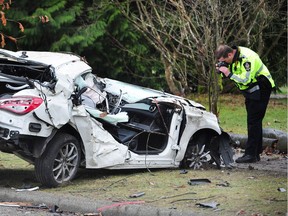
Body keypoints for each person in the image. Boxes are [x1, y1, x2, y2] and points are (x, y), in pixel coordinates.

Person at [215, 44, 275, 163]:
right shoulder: (235, 57)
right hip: (253, 89)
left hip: (261, 85)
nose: (225, 63)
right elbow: (236, 72)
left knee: (253, 120)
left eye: (225, 60)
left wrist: (228, 73)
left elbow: (246, 80)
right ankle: (255, 153)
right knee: (254, 121)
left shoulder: (247, 59)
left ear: (230, 54)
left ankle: (251, 154)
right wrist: (222, 70)